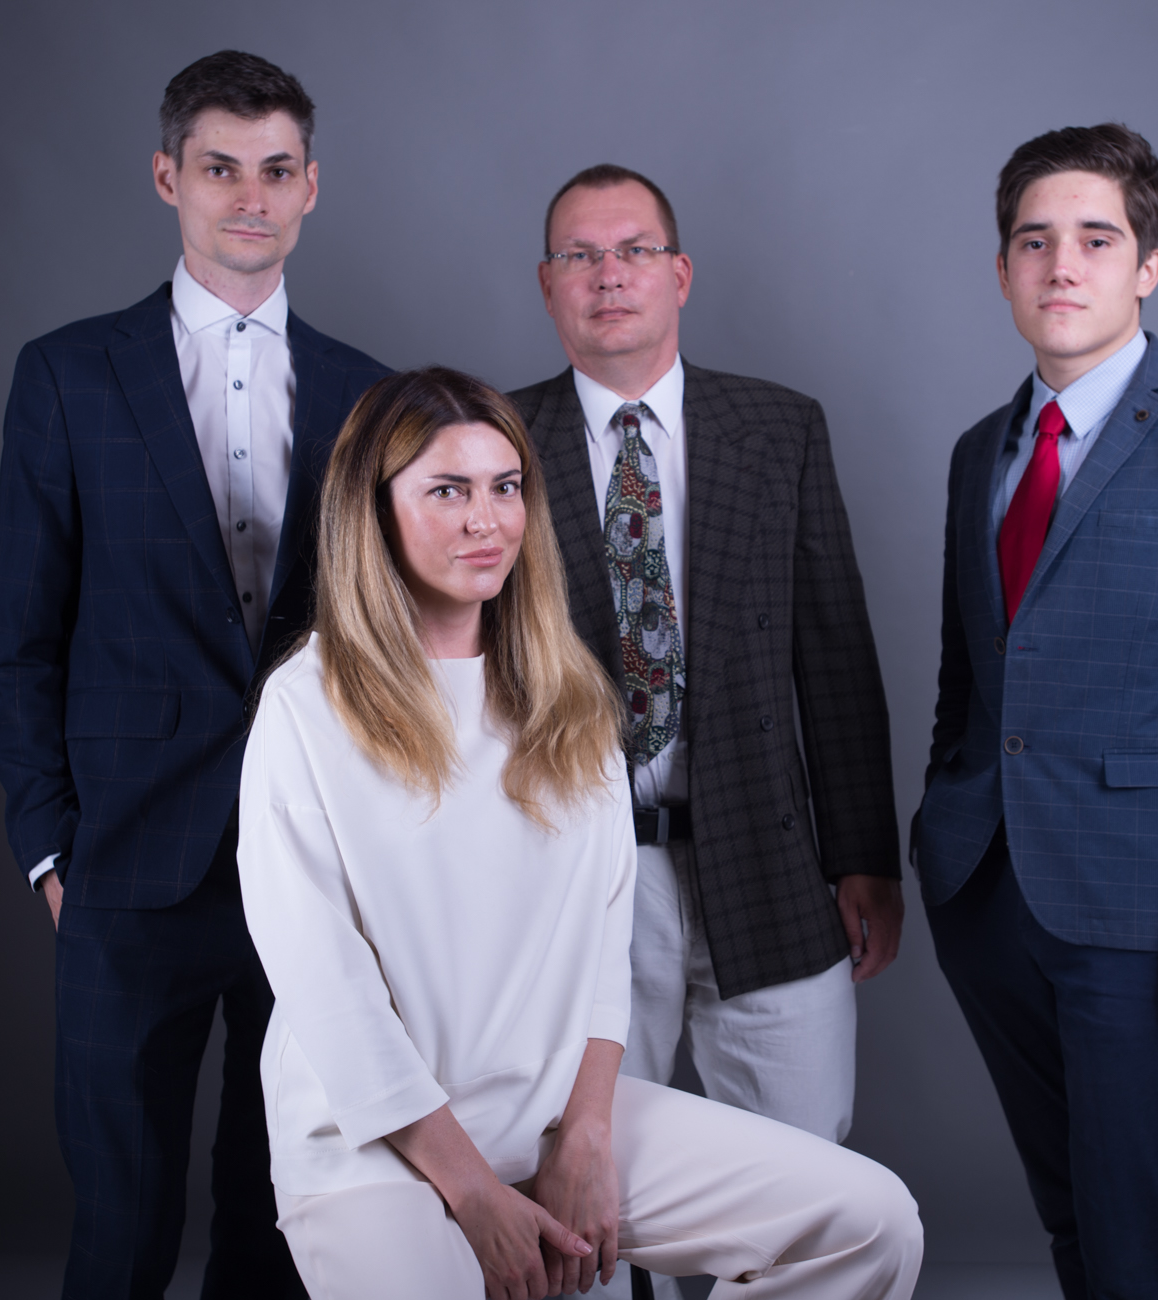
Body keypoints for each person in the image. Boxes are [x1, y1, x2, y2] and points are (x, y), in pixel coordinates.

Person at [235, 364, 923, 1300]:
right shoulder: (308, 707)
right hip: (373, 1142)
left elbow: (603, 946)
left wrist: (587, 1134)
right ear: (373, 509)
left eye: (505, 486)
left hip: (553, 1111)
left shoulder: (567, 698)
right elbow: (328, 992)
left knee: (869, 1222)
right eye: (448, 490)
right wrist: (475, 1192)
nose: (487, 521)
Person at [0, 50, 387, 1298]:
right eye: (221, 168)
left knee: (283, 1222)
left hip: (315, 865)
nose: (249, 197)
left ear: (311, 186)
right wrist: (49, 849)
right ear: (169, 177)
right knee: (119, 1228)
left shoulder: (369, 394)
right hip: (123, 865)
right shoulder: (67, 374)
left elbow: (384, 646)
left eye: (276, 170)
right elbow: (20, 634)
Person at [913, 123, 1158, 1300]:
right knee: (1071, 1216)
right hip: (986, 895)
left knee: (1135, 1234)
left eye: (1095, 238)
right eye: (1034, 241)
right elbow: (966, 680)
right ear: (1002, 270)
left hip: (1145, 912)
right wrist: (938, 833)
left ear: (1148, 266)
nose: (1061, 266)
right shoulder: (980, 451)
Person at [510, 161, 900, 1139]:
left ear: (678, 275)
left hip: (764, 856)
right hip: (574, 874)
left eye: (634, 250)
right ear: (548, 284)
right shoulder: (494, 442)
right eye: (580, 256)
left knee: (802, 1176)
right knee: (581, 1176)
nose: (609, 273)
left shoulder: (779, 429)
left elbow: (835, 656)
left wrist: (864, 857)